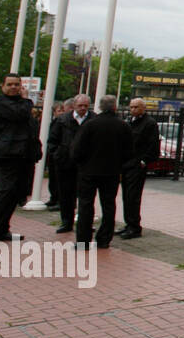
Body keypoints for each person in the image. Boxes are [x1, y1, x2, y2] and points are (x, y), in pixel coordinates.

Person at [71, 95, 132, 249]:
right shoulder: (123, 126)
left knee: (85, 205)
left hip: (88, 171)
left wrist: (81, 163)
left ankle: (83, 240)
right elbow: (129, 151)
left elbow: (77, 150)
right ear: (115, 107)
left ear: (99, 107)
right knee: (109, 205)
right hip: (111, 172)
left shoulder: (90, 125)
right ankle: (104, 238)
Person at [0, 74, 35, 242]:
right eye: (10, 84)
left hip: (22, 154)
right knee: (5, 191)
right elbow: (20, 115)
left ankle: (2, 229)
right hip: (6, 155)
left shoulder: (20, 104)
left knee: (16, 193)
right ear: (2, 86)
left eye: (17, 84)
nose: (13, 87)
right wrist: (26, 100)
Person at [47, 94, 92, 233]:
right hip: (65, 163)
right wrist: (57, 155)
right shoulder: (62, 120)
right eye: (80, 105)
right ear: (74, 106)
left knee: (86, 196)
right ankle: (66, 222)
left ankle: (85, 223)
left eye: (86, 106)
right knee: (66, 194)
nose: (83, 108)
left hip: (86, 164)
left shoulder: (93, 120)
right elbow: (52, 140)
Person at [117, 99, 160, 240]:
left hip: (137, 165)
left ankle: (134, 227)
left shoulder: (149, 123)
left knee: (133, 196)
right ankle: (128, 223)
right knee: (126, 196)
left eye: (136, 107)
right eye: (131, 107)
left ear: (143, 108)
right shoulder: (128, 121)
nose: (133, 109)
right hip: (126, 164)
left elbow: (153, 144)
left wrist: (143, 161)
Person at [44, 101, 66, 211]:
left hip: (59, 154)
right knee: (52, 177)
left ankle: (58, 200)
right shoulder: (53, 122)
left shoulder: (64, 123)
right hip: (53, 153)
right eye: (59, 111)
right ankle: (53, 198)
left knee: (59, 179)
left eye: (63, 110)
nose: (61, 113)